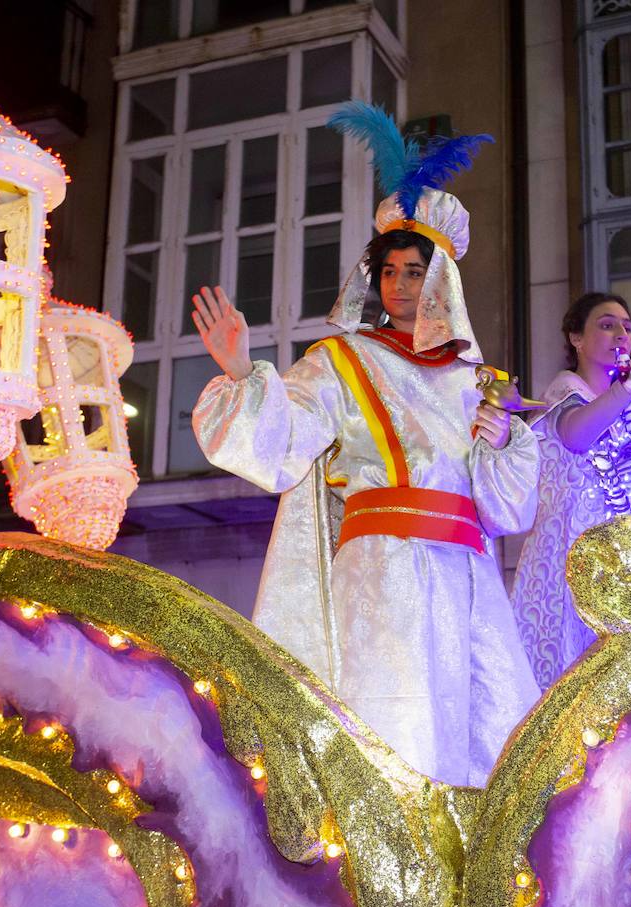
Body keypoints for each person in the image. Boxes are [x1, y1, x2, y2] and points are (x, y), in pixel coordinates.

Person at [190, 103, 540, 787]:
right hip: (383, 572)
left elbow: (506, 510)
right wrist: (239, 371)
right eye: (390, 272)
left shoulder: (474, 380)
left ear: (442, 280)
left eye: (415, 272)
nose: (400, 285)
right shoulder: (341, 361)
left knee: (485, 734)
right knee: (397, 728)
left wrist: (499, 443)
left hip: (465, 571)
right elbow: (285, 434)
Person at [510, 293, 631, 689]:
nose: (621, 334)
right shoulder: (565, 393)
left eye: (626, 325)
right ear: (576, 339)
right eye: (606, 325)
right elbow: (575, 435)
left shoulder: (621, 408)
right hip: (568, 567)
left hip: (616, 571)